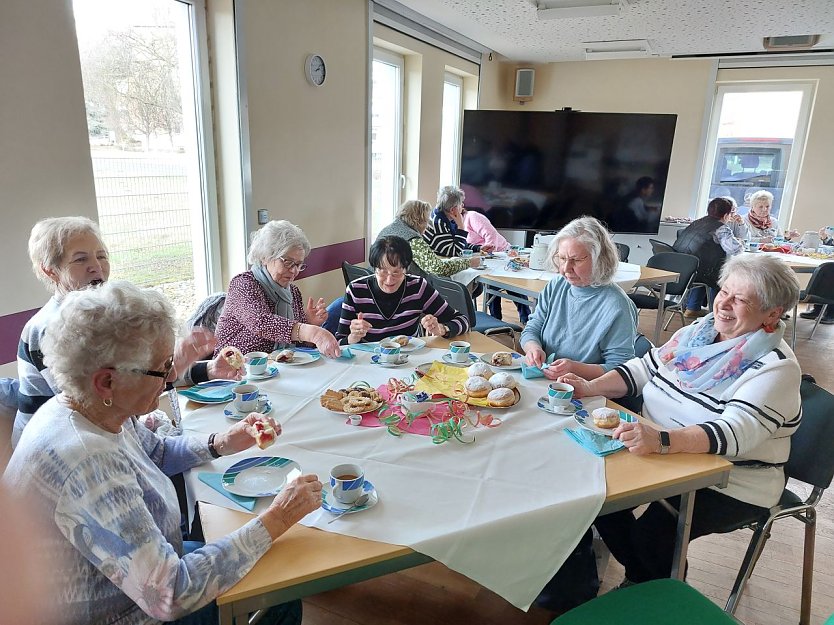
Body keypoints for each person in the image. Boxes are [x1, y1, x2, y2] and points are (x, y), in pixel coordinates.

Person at [3, 281, 322, 624]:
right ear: (106, 381)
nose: (171, 376)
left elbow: (155, 451)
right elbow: (169, 593)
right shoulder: (87, 460)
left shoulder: (91, 408)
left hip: (147, 571)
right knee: (280, 593)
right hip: (122, 612)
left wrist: (222, 442)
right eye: (161, 367)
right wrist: (278, 518)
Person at [559, 254, 801, 585]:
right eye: (724, 291)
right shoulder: (698, 333)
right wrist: (590, 386)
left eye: (740, 299)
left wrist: (661, 441)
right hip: (662, 456)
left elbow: (734, 434)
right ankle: (647, 580)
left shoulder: (776, 367)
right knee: (590, 496)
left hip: (729, 478)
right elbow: (644, 368)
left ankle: (650, 591)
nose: (723, 304)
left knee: (654, 533)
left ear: (772, 313)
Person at [14, 217, 238, 447]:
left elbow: (141, 376)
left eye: (101, 256)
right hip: (58, 445)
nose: (97, 266)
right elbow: (100, 405)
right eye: (81, 259)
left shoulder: (100, 315)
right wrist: (176, 364)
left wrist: (207, 369)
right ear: (50, 270)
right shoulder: (48, 330)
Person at [521, 217, 638, 380]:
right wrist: (533, 348)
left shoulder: (617, 305)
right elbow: (533, 327)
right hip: (547, 381)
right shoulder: (556, 286)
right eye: (562, 258)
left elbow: (620, 369)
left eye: (576, 260)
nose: (566, 269)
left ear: (600, 260)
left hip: (585, 391)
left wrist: (575, 369)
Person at [214, 219, 340, 358]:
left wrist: (309, 324)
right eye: (287, 262)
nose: (294, 271)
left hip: (277, 371)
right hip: (235, 370)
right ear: (265, 257)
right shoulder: (244, 284)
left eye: (298, 264)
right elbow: (260, 323)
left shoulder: (293, 292)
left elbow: (298, 349)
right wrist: (311, 332)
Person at [337, 236, 470, 344]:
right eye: (383, 272)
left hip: (408, 360)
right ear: (374, 268)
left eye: (397, 272)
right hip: (369, 361)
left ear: (406, 269)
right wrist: (352, 338)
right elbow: (338, 341)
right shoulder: (356, 290)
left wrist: (442, 329)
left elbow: (463, 320)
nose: (389, 280)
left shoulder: (418, 287)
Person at [673, 197, 745, 318]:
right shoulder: (721, 228)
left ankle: (692, 307)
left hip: (681, 266)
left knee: (704, 267)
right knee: (723, 275)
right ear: (727, 214)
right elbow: (735, 249)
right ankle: (716, 312)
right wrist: (740, 243)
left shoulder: (696, 222)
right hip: (700, 272)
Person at [462, 206, 532, 324]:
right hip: (484, 258)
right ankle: (496, 320)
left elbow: (491, 235)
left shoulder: (472, 216)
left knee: (511, 286)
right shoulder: (456, 223)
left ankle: (526, 317)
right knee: (491, 286)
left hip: (500, 254)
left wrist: (489, 253)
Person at [377, 200, 480, 277]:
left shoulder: (388, 229)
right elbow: (438, 268)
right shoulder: (413, 239)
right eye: (426, 220)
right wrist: (469, 262)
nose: (427, 225)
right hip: (400, 286)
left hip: (380, 279)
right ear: (419, 220)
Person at [423, 185, 494, 258]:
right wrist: (461, 227)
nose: (463, 205)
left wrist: (478, 248)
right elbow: (456, 251)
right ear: (453, 210)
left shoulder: (445, 217)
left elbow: (458, 244)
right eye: (461, 204)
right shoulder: (438, 225)